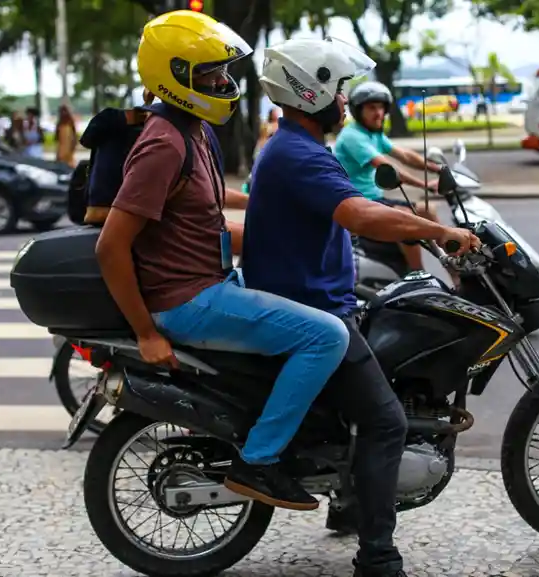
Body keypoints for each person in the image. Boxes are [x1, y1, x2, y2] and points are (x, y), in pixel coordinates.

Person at [95, 9, 351, 512]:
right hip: (188, 302)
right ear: (173, 76)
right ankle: (259, 460)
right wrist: (146, 334)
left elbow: (203, 218)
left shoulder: (192, 129)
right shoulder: (163, 143)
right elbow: (111, 245)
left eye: (223, 71)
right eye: (210, 74)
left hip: (212, 283)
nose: (222, 82)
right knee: (327, 336)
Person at [244, 37, 480, 577]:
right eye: (339, 90)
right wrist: (437, 231)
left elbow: (355, 206)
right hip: (314, 311)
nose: (345, 100)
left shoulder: (296, 147)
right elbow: (359, 213)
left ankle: (349, 505)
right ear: (311, 92)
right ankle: (378, 557)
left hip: (320, 299)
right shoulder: (298, 154)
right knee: (386, 422)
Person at [334, 81, 459, 285]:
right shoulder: (353, 136)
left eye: (381, 108)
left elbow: (405, 155)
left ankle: (452, 268)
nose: (378, 113)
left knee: (427, 210)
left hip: (376, 199)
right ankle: (419, 277)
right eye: (372, 108)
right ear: (358, 111)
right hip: (360, 203)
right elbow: (388, 168)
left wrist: (438, 169)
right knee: (407, 216)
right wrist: (424, 185)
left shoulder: (373, 134)